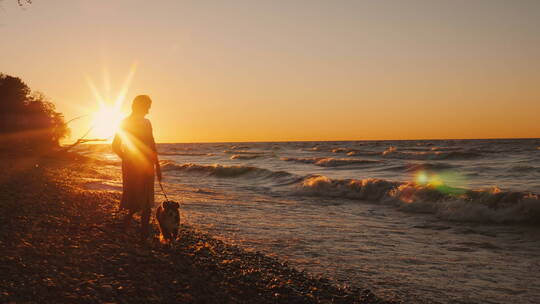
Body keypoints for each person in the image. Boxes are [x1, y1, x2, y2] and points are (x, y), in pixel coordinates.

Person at [112, 95, 162, 242]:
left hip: (146, 165)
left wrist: (157, 166)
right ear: (139, 106)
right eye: (147, 106)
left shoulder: (147, 123)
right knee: (136, 199)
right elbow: (115, 145)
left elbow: (152, 145)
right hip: (132, 166)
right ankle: (132, 229)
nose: (149, 110)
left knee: (145, 201)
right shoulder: (124, 123)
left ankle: (141, 234)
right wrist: (127, 158)